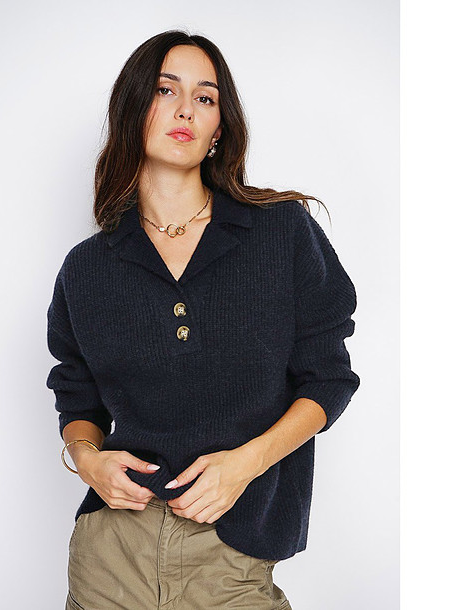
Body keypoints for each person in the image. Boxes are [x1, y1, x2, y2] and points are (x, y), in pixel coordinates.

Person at [46, 29, 360, 610]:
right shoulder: (87, 267)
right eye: (166, 90)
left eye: (206, 97)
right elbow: (77, 395)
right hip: (111, 553)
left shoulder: (281, 232)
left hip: (233, 548)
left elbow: (328, 378)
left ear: (220, 128)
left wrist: (245, 465)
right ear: (132, 109)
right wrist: (88, 461)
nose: (186, 108)